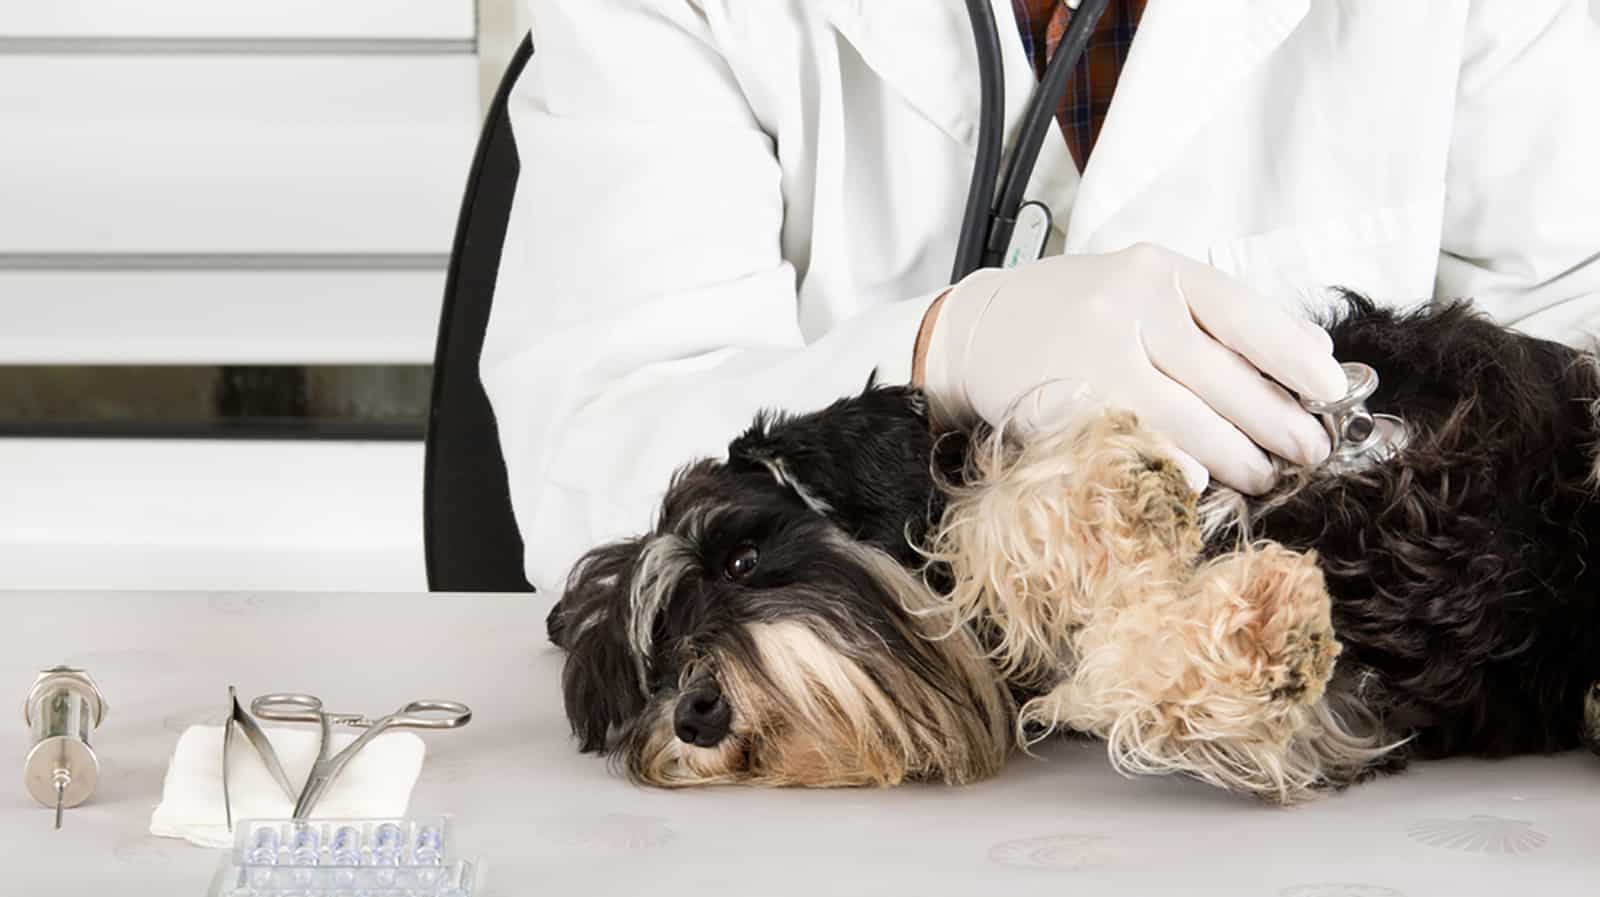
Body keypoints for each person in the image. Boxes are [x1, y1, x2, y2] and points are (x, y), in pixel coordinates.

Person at [481, 0, 1600, 593]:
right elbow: (595, 480)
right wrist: (939, 354)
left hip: (1330, 816)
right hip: (817, 817)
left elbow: (1574, 390)